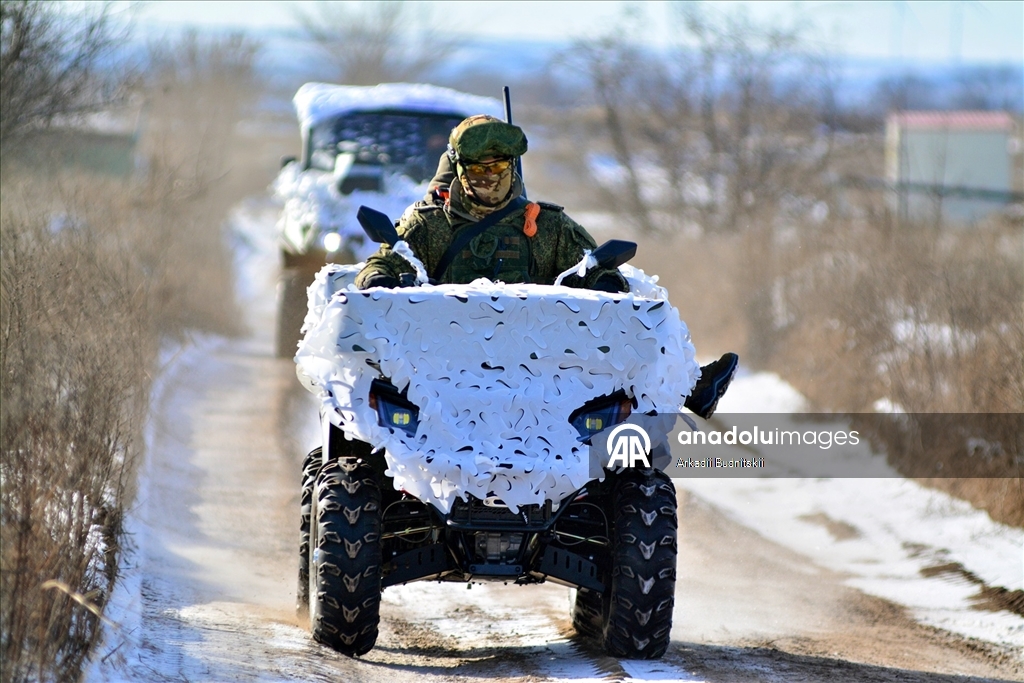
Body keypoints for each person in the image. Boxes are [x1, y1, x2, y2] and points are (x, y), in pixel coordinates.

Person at [355, 114, 737, 418]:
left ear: (512, 166)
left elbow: (592, 268)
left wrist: (604, 284)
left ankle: (686, 384)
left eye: (498, 167)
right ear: (459, 170)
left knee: (641, 311)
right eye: (478, 170)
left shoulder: (548, 227)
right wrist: (381, 277)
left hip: (543, 376)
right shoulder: (429, 226)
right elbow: (386, 259)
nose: (489, 178)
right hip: (441, 370)